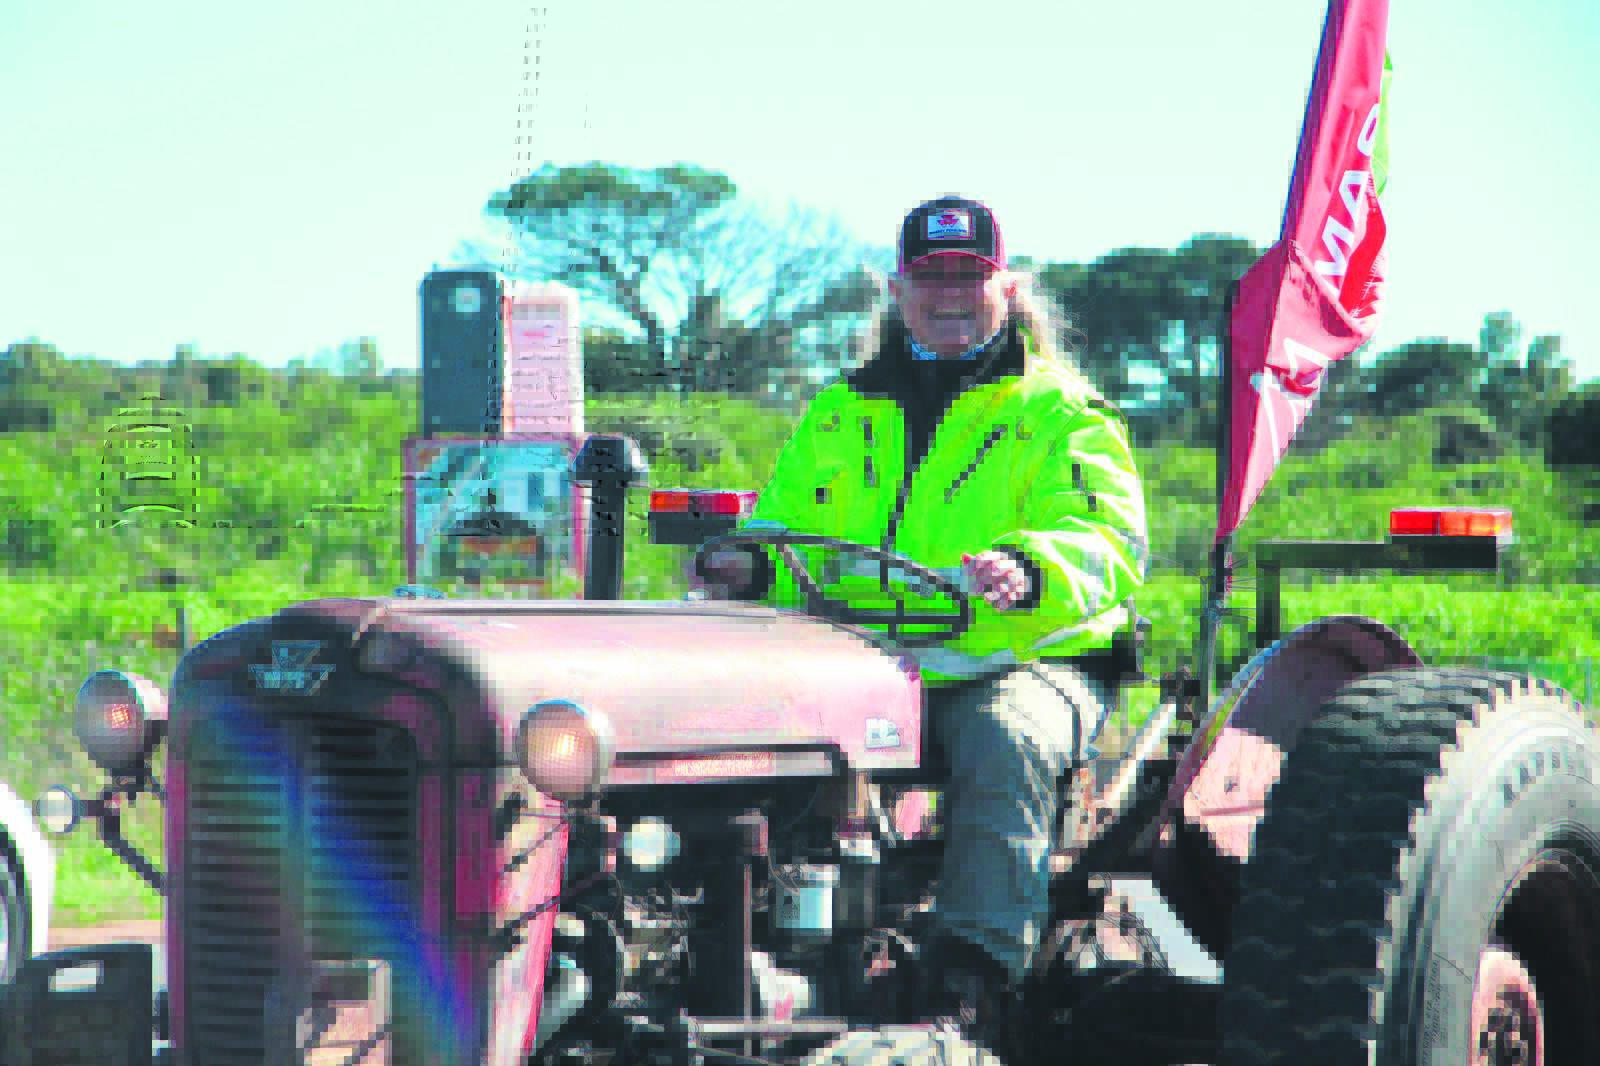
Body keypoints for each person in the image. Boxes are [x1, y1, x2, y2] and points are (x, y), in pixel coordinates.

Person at [701, 196, 1148, 1041]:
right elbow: (785, 527)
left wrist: (1029, 568)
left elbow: (1108, 539)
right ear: (897, 289)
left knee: (1005, 738)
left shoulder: (1059, 411)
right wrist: (748, 564)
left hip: (1016, 660)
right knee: (737, 727)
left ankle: (970, 985)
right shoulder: (841, 409)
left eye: (968, 277)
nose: (949, 294)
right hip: (862, 661)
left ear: (1007, 287)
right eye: (931, 277)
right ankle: (737, 948)